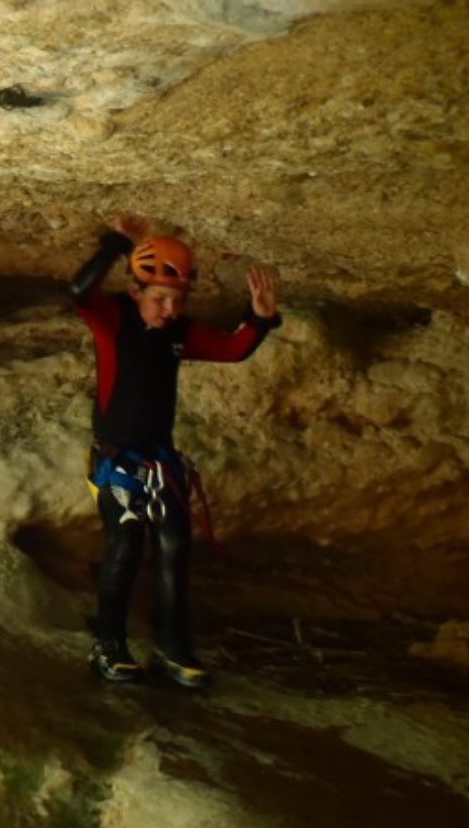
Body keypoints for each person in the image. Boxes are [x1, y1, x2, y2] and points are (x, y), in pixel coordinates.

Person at [70, 216, 281, 687]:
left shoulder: (178, 333)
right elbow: (79, 292)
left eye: (177, 300)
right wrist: (117, 246)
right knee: (124, 547)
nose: (168, 309)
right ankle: (108, 645)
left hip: (159, 460)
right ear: (135, 290)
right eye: (159, 298)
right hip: (116, 461)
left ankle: (173, 650)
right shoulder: (114, 320)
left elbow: (233, 349)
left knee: (173, 549)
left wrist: (261, 317)